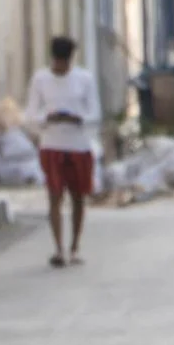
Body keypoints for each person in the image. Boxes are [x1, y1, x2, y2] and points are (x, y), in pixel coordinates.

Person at [25, 36, 102, 268]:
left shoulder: (84, 79)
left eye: (65, 63)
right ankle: (59, 249)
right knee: (54, 196)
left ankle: (75, 246)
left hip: (79, 145)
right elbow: (30, 114)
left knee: (78, 198)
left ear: (71, 60)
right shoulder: (40, 79)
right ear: (52, 59)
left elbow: (95, 114)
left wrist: (77, 118)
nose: (61, 67)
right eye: (58, 63)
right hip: (51, 145)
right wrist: (47, 118)